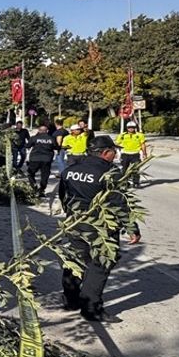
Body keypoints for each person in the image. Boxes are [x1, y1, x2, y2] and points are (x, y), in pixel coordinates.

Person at [58, 135, 141, 321]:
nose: (116, 154)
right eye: (114, 151)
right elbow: (119, 203)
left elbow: (63, 196)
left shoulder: (70, 170)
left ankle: (70, 300)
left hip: (74, 222)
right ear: (105, 153)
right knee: (99, 265)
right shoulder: (111, 173)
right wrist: (131, 228)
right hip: (101, 227)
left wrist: (72, 215)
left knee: (75, 260)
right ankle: (91, 309)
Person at [26, 124, 57, 193]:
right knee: (45, 175)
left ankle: (34, 186)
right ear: (47, 131)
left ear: (39, 131)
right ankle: (42, 189)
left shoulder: (34, 138)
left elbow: (28, 146)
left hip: (35, 159)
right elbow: (55, 147)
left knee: (30, 173)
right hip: (47, 159)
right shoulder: (51, 138)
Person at [116, 121, 148, 187]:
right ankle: (125, 182)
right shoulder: (122, 135)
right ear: (127, 128)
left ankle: (136, 182)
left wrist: (145, 154)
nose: (131, 129)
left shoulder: (139, 135)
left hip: (135, 154)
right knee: (124, 169)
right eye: (129, 128)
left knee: (135, 169)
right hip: (125, 154)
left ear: (135, 128)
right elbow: (117, 144)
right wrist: (116, 152)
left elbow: (143, 145)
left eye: (132, 127)